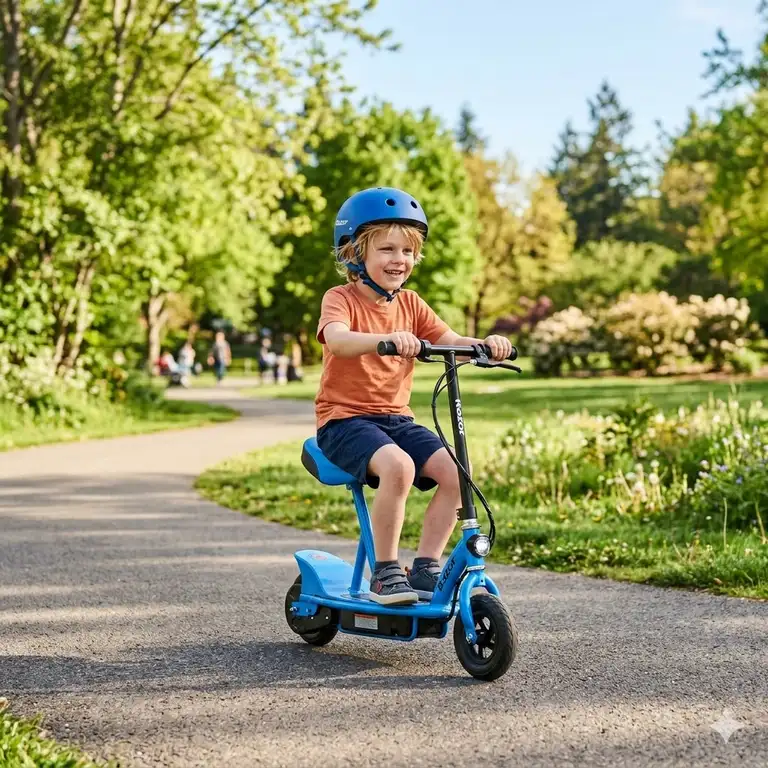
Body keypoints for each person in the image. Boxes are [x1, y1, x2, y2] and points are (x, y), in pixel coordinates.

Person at [315, 186, 513, 606]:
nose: (398, 259)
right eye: (386, 249)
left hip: (395, 420)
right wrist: (384, 339)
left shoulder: (412, 304)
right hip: (343, 421)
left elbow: (451, 339)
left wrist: (487, 344)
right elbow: (337, 339)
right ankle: (386, 572)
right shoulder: (341, 299)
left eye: (407, 251)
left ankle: (425, 567)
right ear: (353, 253)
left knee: (459, 472)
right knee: (399, 467)